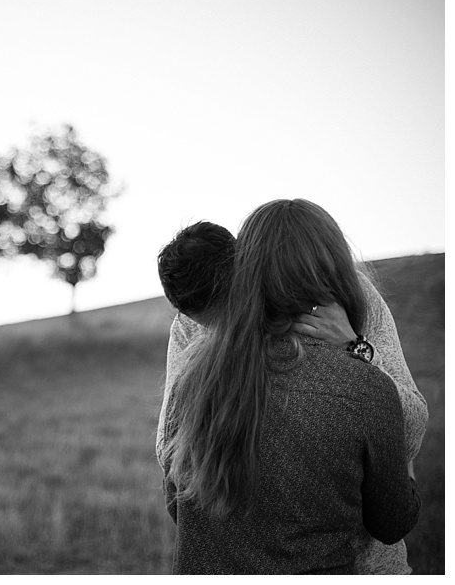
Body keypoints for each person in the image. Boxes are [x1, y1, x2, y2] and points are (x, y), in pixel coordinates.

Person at [156, 199, 422, 574]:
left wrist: (355, 348)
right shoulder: (193, 339)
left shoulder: (360, 314)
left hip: (369, 565)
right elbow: (175, 465)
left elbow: (175, 482)